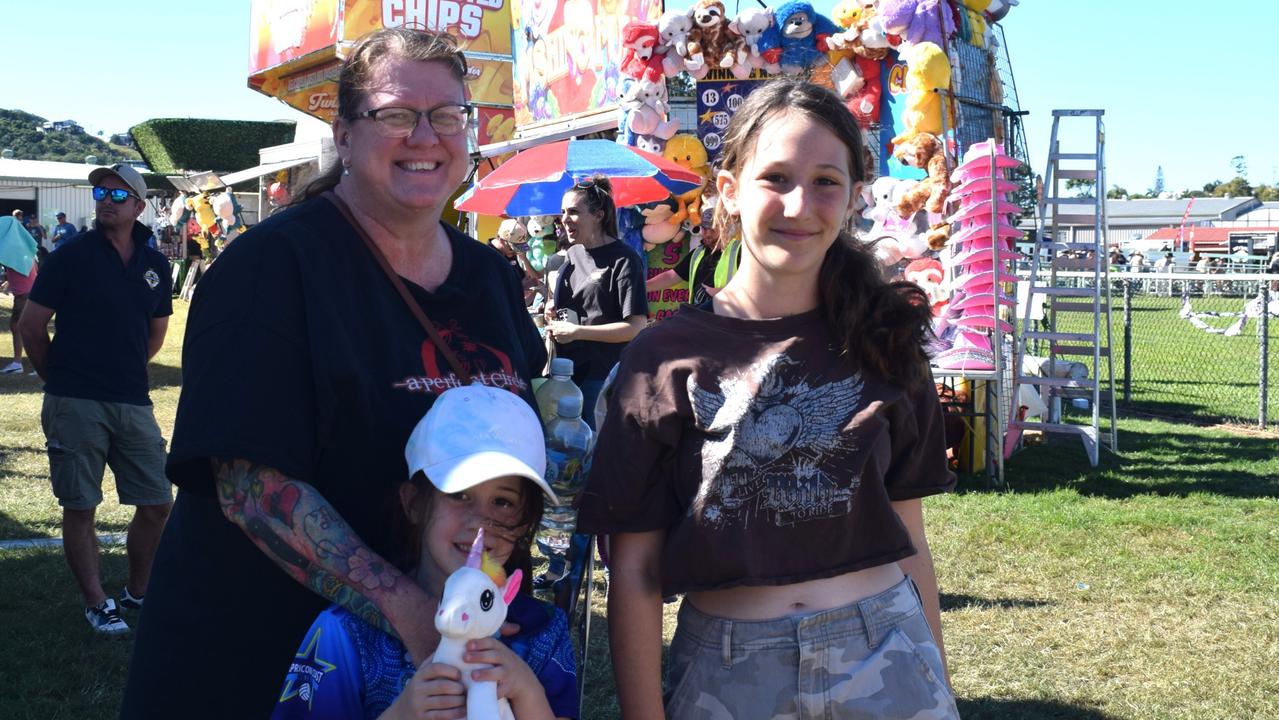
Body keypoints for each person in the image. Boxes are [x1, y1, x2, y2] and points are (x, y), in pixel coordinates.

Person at [121, 29, 546, 719]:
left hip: (430, 672)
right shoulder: (272, 268)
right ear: (344, 134)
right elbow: (253, 488)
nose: (425, 135)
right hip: (256, 655)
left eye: (446, 115)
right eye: (395, 114)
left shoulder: (489, 277)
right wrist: (410, 611)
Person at [577, 78, 959, 719]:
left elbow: (911, 538)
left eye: (826, 181)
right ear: (729, 190)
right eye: (775, 177)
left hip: (888, 655)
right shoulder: (659, 358)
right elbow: (636, 571)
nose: (800, 203)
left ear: (855, 196)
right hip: (726, 672)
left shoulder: (886, 341)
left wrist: (936, 686)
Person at [272, 385, 577, 719]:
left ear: (523, 524)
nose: (480, 523)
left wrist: (527, 691)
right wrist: (401, 713)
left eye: (502, 502)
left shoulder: (544, 631)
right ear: (414, 503)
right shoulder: (345, 633)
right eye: (459, 494)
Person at [15, 163, 174, 636]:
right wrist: (60, 380)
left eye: (118, 194)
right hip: (75, 400)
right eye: (101, 192)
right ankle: (96, 602)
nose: (106, 199)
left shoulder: (154, 264)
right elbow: (30, 326)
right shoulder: (71, 256)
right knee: (80, 505)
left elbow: (156, 333)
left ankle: (138, 591)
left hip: (133, 401)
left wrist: (122, 371)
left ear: (139, 207)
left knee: (157, 503)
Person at [544, 176, 648, 422]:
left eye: (573, 212)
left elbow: (635, 327)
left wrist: (577, 331)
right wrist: (553, 309)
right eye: (562, 212)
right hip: (565, 372)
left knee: (593, 450)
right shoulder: (572, 254)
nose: (564, 219)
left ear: (599, 215)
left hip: (602, 376)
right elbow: (578, 306)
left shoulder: (624, 259)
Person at [645, 216, 742, 307]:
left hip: (727, 318)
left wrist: (717, 293)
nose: (707, 233)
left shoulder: (740, 251)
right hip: (700, 316)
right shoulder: (697, 253)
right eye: (704, 228)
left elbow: (753, 289)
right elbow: (672, 276)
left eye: (712, 229)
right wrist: (642, 287)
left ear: (724, 227)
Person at [2, 259, 37, 374]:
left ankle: (34, 364)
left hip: (24, 295)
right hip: (28, 293)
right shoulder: (24, 253)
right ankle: (18, 363)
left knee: (24, 329)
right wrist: (9, 281)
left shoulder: (14, 254)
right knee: (17, 327)